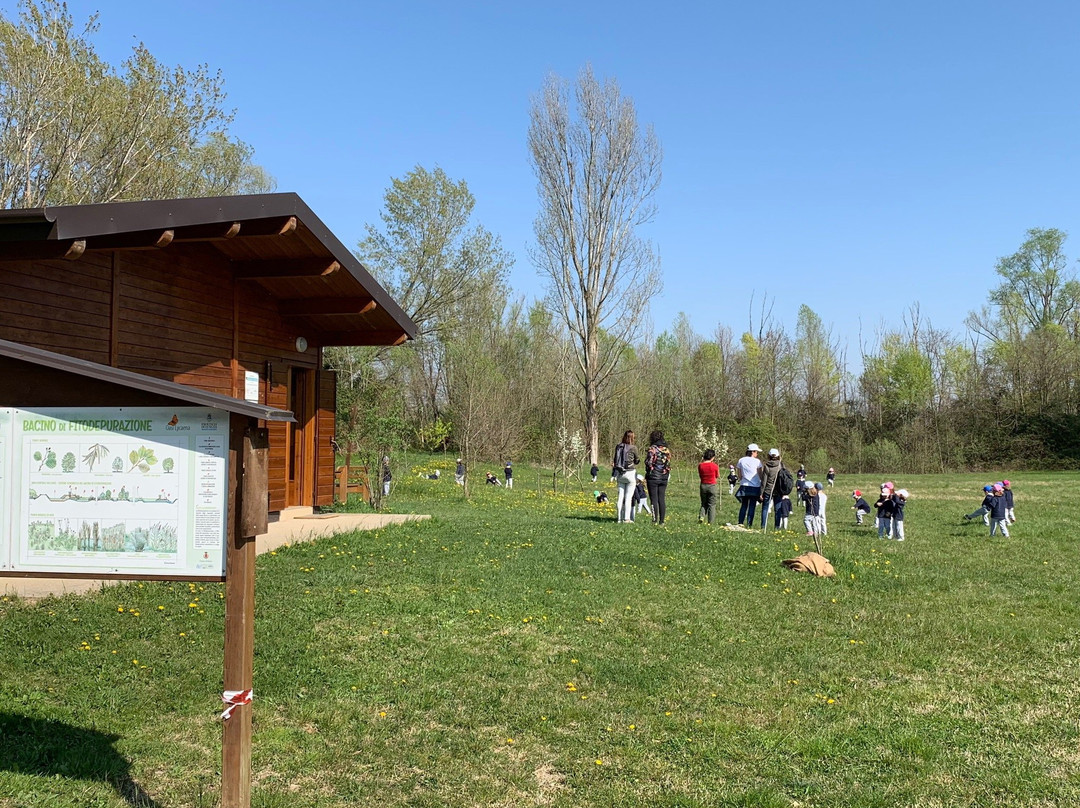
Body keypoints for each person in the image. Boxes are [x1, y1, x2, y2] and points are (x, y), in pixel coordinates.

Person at [644, 430, 672, 525]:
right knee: (661, 499)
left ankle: (654, 520)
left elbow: (649, 462)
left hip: (653, 477)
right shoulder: (666, 450)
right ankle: (662, 521)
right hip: (664, 477)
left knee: (654, 499)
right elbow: (668, 464)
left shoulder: (652, 449)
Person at [612, 430, 639, 523]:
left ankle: (619, 518)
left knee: (620, 497)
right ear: (632, 438)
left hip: (620, 474)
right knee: (628, 497)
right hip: (630, 473)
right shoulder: (633, 448)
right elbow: (637, 460)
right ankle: (627, 518)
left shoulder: (618, 446)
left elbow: (615, 460)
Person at [735, 444, 764, 527]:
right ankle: (749, 523)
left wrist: (742, 479)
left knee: (744, 505)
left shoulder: (741, 460)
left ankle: (740, 522)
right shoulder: (757, 462)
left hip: (744, 485)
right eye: (756, 452)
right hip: (755, 486)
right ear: (753, 452)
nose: (757, 454)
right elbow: (760, 474)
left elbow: (739, 475)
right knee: (752, 505)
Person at [758, 448, 784, 529]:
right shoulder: (781, 465)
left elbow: (764, 480)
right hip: (778, 490)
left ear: (769, 456)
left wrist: (761, 492)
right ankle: (777, 527)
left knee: (765, 508)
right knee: (778, 509)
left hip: (768, 489)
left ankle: (763, 526)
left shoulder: (766, 466)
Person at [698, 448, 721, 524]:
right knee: (712, 504)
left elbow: (700, 475)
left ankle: (701, 516)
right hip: (712, 486)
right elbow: (717, 476)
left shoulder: (700, 465)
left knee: (704, 503)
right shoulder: (714, 466)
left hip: (703, 485)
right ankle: (710, 522)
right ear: (713, 457)